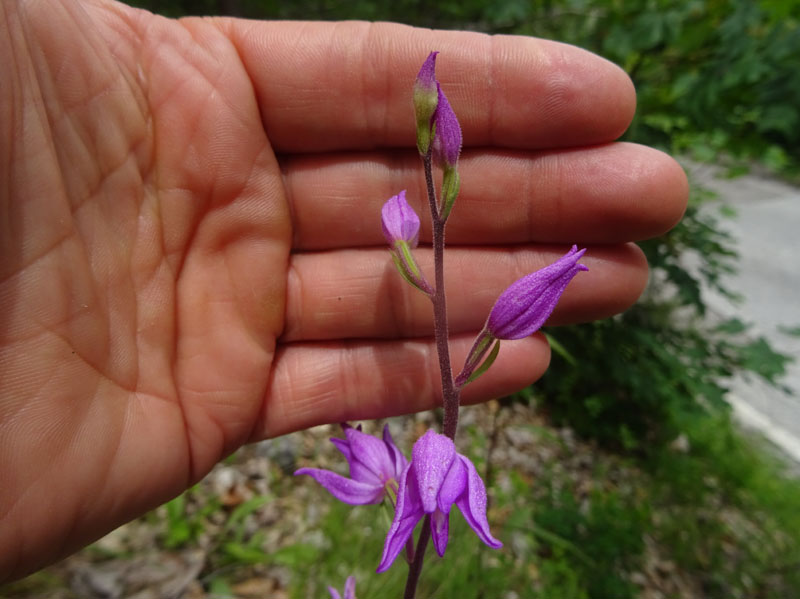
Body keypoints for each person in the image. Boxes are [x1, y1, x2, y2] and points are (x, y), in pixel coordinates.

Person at [0, 0, 687, 583]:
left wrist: (552, 267)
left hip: (434, 302)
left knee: (459, 404)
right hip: (421, 299)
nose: (428, 504)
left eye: (431, 498)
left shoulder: (442, 256)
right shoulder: (417, 246)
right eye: (428, 497)